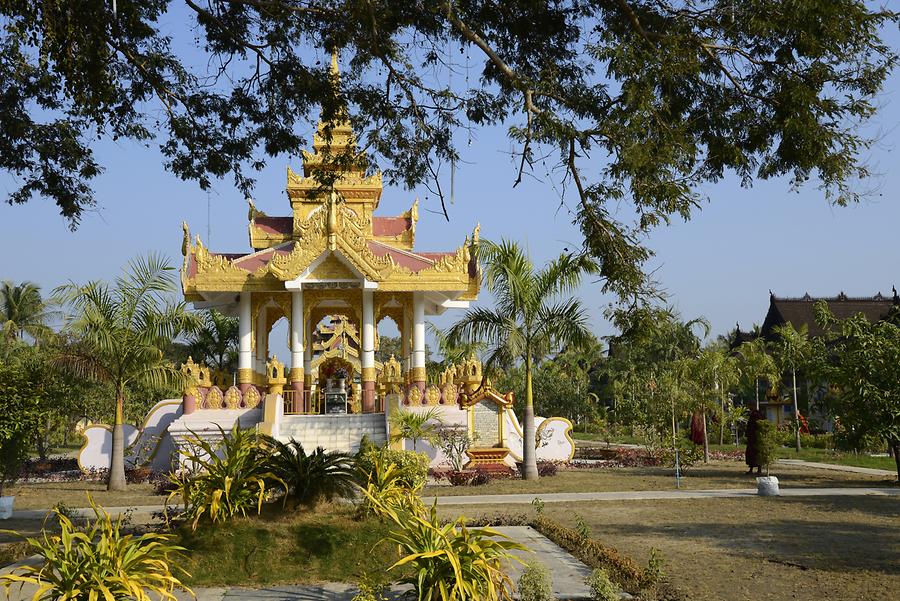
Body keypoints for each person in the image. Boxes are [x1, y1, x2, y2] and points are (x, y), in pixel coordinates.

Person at [745, 409, 764, 475]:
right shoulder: (755, 415)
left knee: (756, 453)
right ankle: (752, 469)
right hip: (752, 438)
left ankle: (758, 469)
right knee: (752, 454)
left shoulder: (756, 415)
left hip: (755, 438)